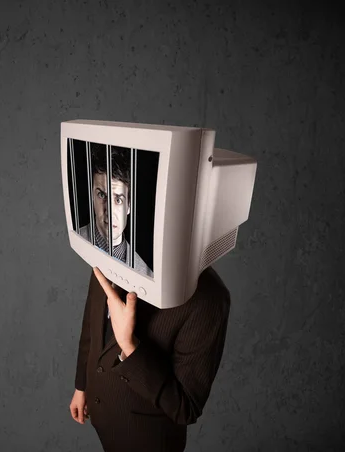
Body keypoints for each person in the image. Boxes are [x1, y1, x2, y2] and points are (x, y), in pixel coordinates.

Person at [69, 266, 231, 452]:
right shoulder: (107, 253)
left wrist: (129, 345)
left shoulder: (209, 297)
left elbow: (186, 407)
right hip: (104, 419)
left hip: (146, 437)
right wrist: (82, 386)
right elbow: (91, 321)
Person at [78, 144, 153, 278]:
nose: (110, 212)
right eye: (102, 195)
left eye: (118, 200)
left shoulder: (146, 274)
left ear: (129, 206)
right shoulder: (72, 244)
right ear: (92, 197)